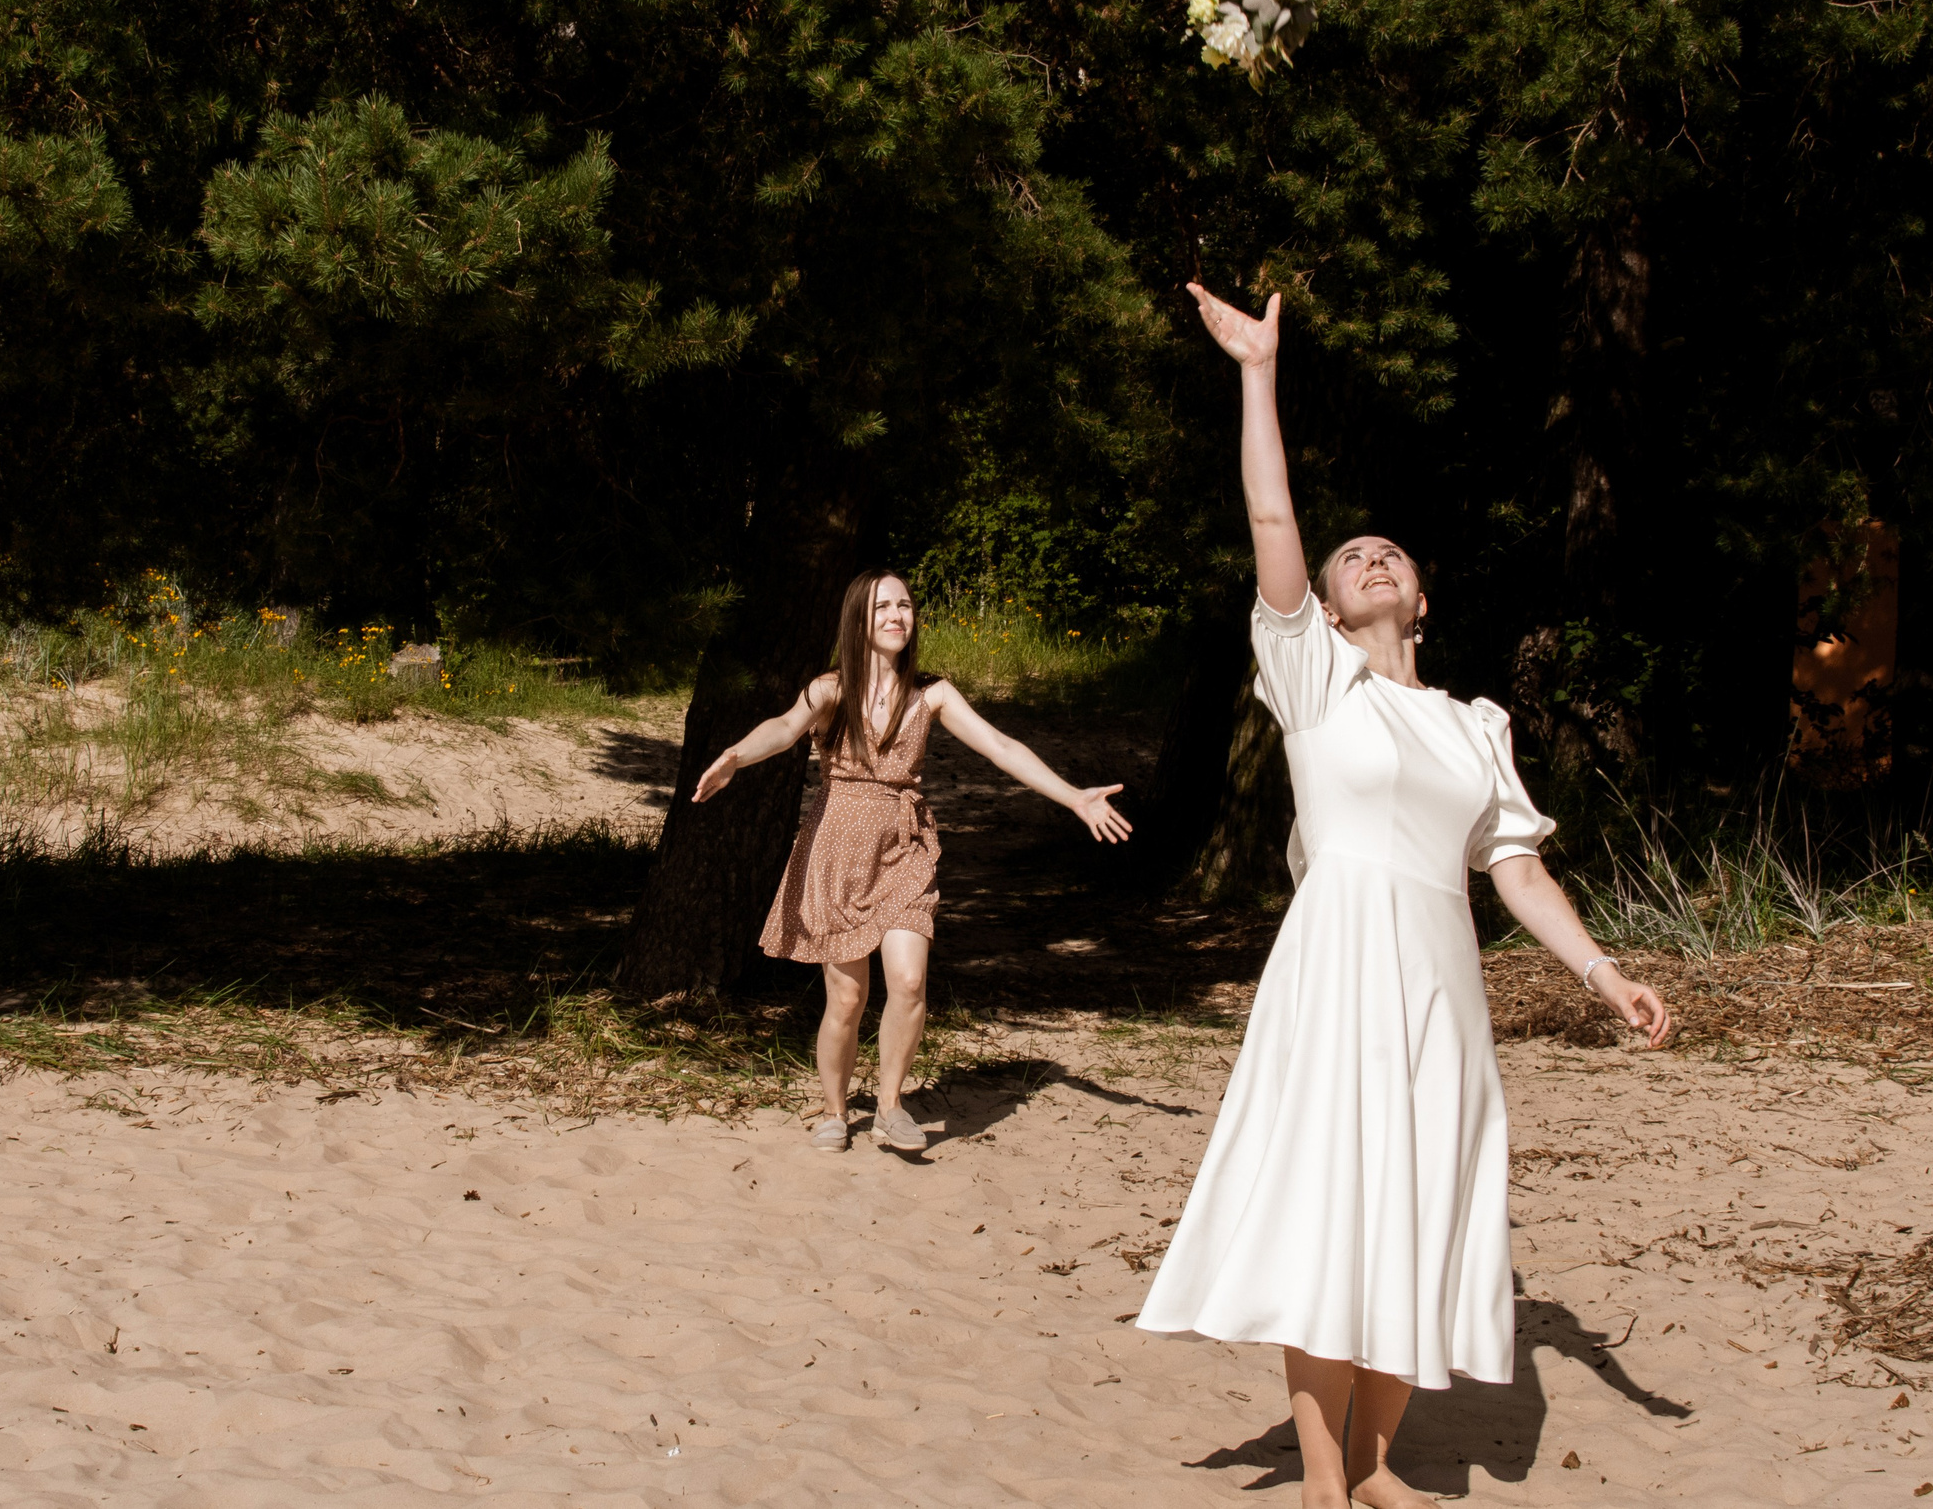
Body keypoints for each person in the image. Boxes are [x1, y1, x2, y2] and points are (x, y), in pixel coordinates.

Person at [1135, 285, 1673, 1509]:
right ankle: (1327, 1473)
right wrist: (1258, 374)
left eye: (1392, 554)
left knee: (1427, 1195)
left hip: (1442, 974)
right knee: (1334, 1193)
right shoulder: (1315, 682)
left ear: (1420, 599)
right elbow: (1270, 509)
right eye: (1349, 559)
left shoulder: (1477, 725)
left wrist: (1602, 974)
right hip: (1336, 961)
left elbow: (1517, 870)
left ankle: (1376, 1458)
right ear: (1325, 608)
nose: (1370, 557)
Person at [693, 569, 1132, 1152]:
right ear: (859, 620)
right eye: (883, 608)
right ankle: (833, 1110)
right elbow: (783, 727)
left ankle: (891, 1106)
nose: (898, 616)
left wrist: (1074, 796)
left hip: (905, 849)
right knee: (847, 998)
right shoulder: (830, 689)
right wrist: (735, 756)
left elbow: (1001, 746)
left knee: (908, 980)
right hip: (837, 853)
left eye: (905, 605)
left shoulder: (933, 694)